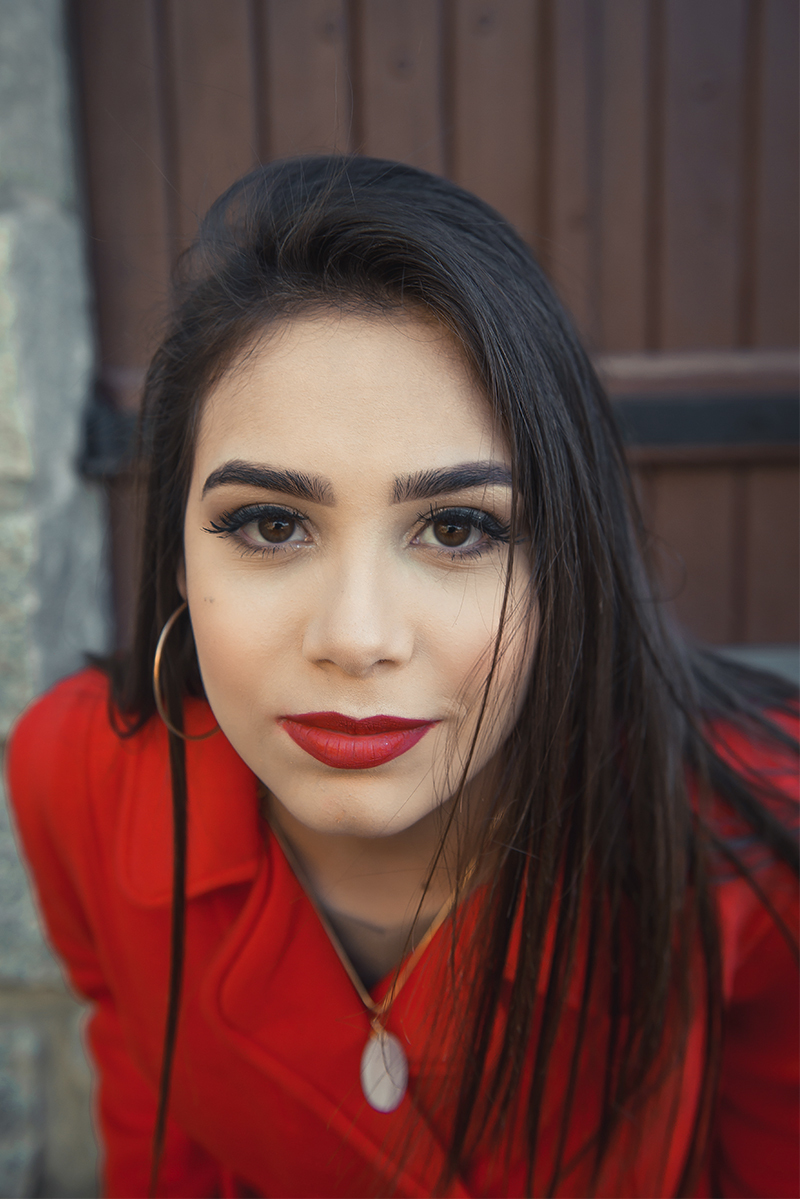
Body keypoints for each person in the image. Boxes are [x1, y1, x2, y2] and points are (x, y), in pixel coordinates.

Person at [6, 156, 798, 1199]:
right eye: (271, 524)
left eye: (457, 527)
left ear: (567, 562)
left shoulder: (757, 830)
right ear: (179, 553)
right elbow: (157, 1131)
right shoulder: (75, 777)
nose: (357, 636)